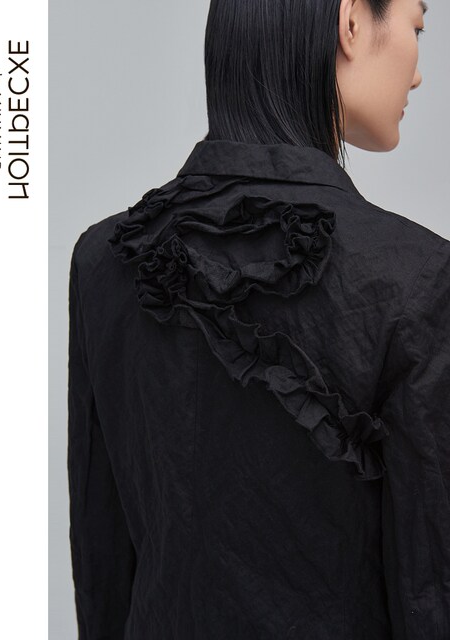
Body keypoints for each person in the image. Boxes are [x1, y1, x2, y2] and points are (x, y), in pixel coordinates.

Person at [67, 0, 450, 638]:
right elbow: (432, 589)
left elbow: (102, 567)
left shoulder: (104, 260)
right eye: (416, 26)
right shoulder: (418, 277)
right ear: (351, 22)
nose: (417, 73)